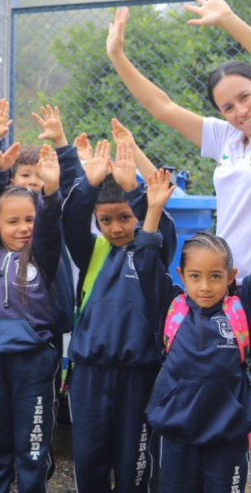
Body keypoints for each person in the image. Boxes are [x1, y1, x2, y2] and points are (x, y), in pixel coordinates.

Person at [106, 0, 251, 277]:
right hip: (228, 282)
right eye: (228, 107)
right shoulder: (227, 137)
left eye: (245, 97)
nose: (241, 111)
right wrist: (117, 56)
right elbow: (163, 107)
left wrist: (228, 19)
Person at [62, 140, 175, 492]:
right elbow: (70, 219)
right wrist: (88, 184)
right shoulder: (92, 250)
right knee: (89, 458)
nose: (115, 228)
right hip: (90, 374)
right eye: (106, 220)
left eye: (125, 217)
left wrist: (136, 191)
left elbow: (162, 229)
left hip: (140, 374)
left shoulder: (152, 252)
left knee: (135, 463)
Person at [134, 171, 251, 492]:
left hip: (227, 434)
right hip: (176, 433)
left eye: (216, 276)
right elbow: (146, 263)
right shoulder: (170, 305)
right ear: (182, 275)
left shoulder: (241, 308)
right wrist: (153, 210)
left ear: (231, 276)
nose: (205, 286)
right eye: (196, 276)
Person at [0, 145, 63, 492]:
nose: (23, 228)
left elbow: (49, 229)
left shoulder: (42, 256)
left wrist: (50, 191)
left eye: (29, 220)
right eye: (12, 221)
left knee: (32, 443)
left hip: (33, 360)